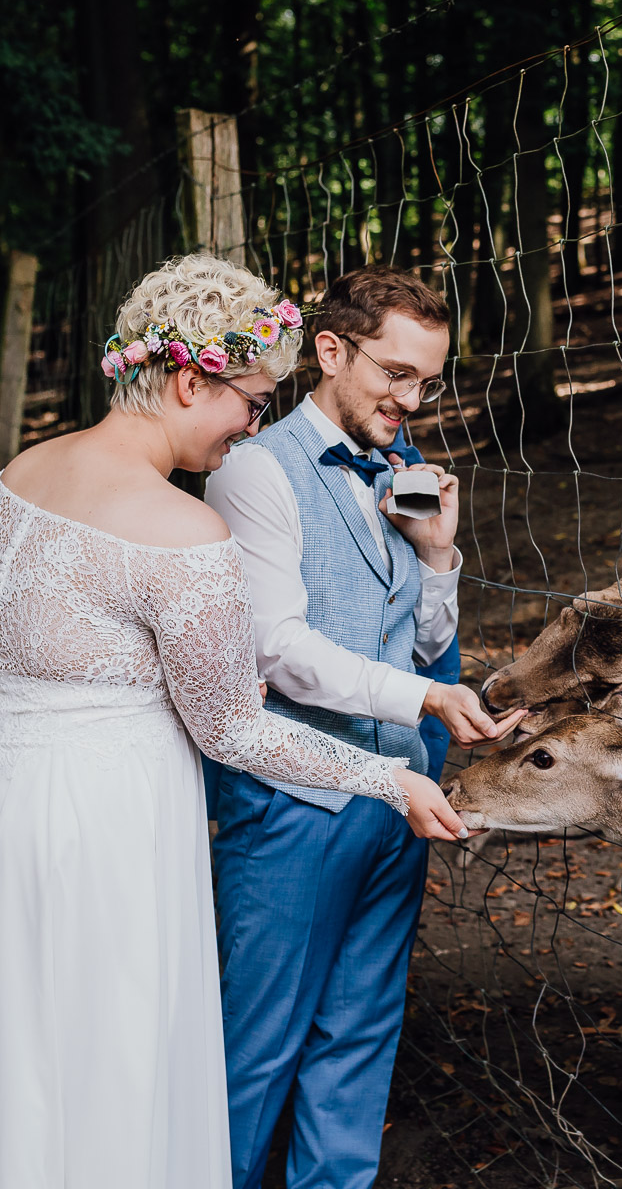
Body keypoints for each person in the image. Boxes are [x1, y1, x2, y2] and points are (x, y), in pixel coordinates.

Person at [0, 255, 473, 1189]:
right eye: (248, 399)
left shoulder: (18, 475)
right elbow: (234, 728)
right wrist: (388, 778)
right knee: (95, 1063)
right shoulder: (182, 531)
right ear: (192, 380)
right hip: (97, 833)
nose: (253, 423)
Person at [203, 264, 518, 1189]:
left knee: (359, 1042)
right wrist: (421, 702)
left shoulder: (400, 467)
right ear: (330, 352)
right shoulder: (254, 471)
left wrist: (439, 555)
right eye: (393, 374)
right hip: (292, 801)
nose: (410, 398)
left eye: (427, 380)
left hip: (397, 804)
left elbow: (423, 645)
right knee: (255, 1050)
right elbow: (277, 650)